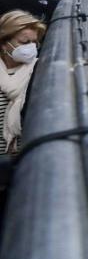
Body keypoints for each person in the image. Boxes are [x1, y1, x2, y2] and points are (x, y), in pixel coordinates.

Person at [0, 10, 45, 154]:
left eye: (34, 42)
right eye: (25, 42)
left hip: (26, 162)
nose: (31, 47)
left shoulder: (41, 70)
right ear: (4, 44)